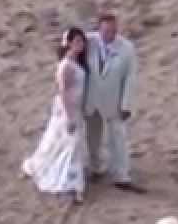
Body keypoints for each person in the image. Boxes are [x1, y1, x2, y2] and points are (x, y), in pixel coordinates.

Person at [22, 27, 89, 204]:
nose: (80, 45)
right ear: (69, 43)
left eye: (81, 42)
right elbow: (63, 91)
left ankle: (71, 179)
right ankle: (71, 184)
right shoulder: (65, 65)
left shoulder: (76, 63)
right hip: (67, 109)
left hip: (77, 107)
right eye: (76, 42)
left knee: (68, 145)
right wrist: (69, 116)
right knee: (68, 144)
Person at [83, 12, 142, 191]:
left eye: (113, 31)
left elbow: (130, 78)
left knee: (118, 138)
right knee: (92, 137)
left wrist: (126, 105)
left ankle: (121, 174)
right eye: (106, 31)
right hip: (92, 98)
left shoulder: (127, 48)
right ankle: (96, 167)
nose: (110, 34)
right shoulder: (88, 42)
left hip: (113, 100)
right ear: (99, 29)